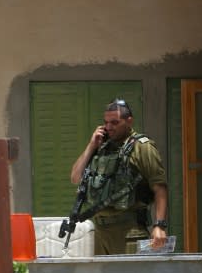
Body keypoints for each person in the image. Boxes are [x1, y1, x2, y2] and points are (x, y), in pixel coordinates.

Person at [70, 99, 168, 255]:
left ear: (129, 121)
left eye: (114, 122)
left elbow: (159, 187)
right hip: (100, 232)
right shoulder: (102, 146)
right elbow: (75, 177)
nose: (109, 127)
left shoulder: (142, 147)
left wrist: (159, 226)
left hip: (129, 231)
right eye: (106, 122)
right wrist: (91, 146)